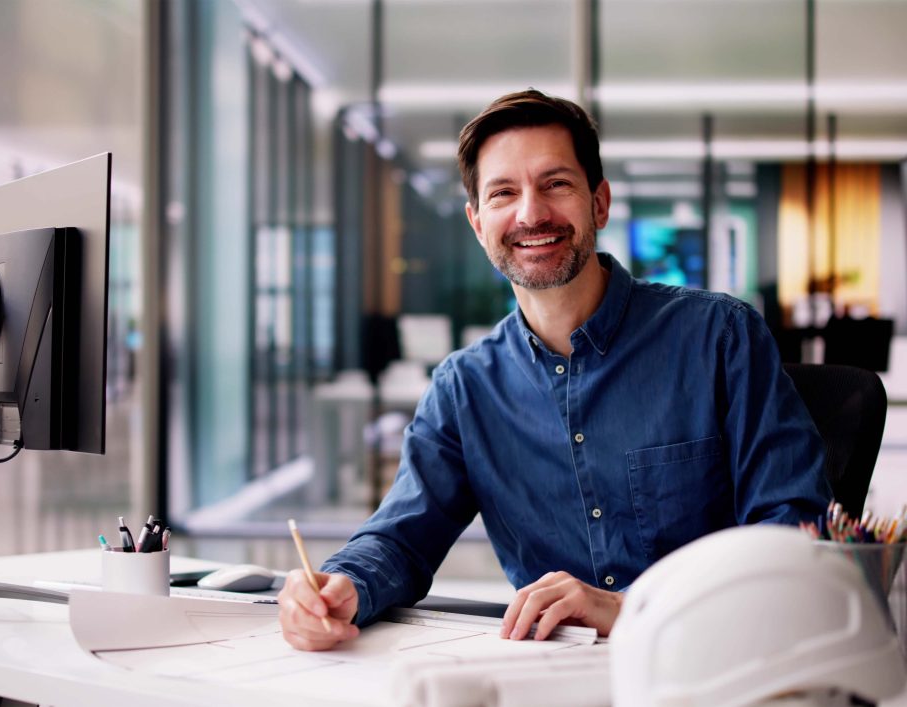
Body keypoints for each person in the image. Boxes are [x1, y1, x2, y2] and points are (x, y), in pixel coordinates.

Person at [278, 89, 830, 651]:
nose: (530, 213)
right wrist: (344, 585)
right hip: (554, 680)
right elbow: (401, 541)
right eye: (503, 193)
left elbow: (795, 531)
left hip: (718, 663)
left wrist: (631, 607)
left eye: (556, 184)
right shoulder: (464, 388)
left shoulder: (719, 338)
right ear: (477, 222)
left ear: (600, 203)